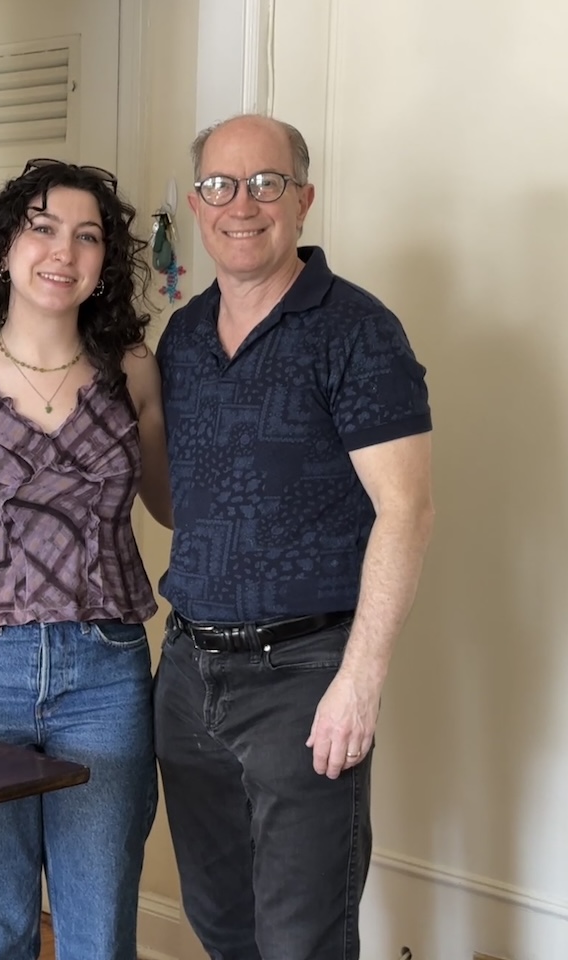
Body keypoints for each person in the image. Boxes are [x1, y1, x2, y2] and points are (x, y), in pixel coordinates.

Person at [153, 114, 435, 960]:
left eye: (266, 183)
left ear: (303, 200)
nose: (242, 204)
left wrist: (360, 681)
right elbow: (180, 504)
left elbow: (407, 511)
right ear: (199, 207)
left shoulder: (357, 330)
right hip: (188, 675)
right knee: (223, 925)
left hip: (306, 679)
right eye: (220, 186)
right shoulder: (183, 338)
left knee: (301, 941)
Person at [0, 158, 172, 960]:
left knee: (98, 931)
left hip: (106, 677)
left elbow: (171, 505)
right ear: (7, 248)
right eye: (43, 228)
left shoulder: (135, 374)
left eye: (88, 237)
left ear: (104, 265)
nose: (64, 251)